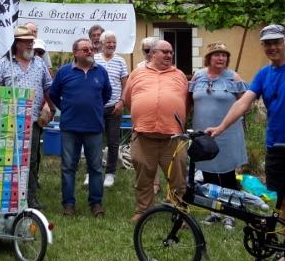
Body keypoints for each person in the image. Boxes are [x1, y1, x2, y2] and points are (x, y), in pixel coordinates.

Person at [206, 24, 285, 261]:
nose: (272, 47)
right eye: (268, 43)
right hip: (277, 147)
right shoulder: (263, 74)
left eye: (276, 42)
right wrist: (221, 127)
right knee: (284, 200)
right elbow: (242, 103)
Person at [122, 39, 189, 223]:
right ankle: (143, 210)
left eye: (170, 52)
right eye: (164, 52)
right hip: (144, 136)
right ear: (152, 54)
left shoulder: (180, 75)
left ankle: (178, 212)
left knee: (178, 177)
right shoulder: (137, 74)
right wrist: (144, 111)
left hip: (173, 137)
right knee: (144, 177)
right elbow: (128, 99)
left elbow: (186, 102)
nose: (169, 55)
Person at [0, 26, 53, 209]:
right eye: (26, 41)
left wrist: (52, 107)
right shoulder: (4, 64)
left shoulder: (39, 63)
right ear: (16, 44)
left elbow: (48, 87)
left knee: (31, 159)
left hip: (32, 120)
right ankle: (8, 196)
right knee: (8, 158)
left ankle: (30, 198)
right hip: (8, 120)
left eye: (31, 41)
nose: (30, 44)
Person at [48, 38, 111, 217]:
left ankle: (96, 203)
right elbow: (53, 94)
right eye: (85, 49)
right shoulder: (64, 72)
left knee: (96, 167)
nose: (90, 51)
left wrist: (94, 108)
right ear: (75, 52)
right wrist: (68, 108)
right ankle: (68, 204)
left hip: (94, 128)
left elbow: (106, 95)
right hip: (70, 127)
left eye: (91, 49)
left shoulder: (101, 72)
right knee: (68, 167)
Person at [189, 42, 247, 228]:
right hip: (203, 133)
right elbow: (188, 100)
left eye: (224, 55)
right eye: (217, 55)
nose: (221, 58)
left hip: (227, 133)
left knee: (227, 174)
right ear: (208, 58)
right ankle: (214, 211)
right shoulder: (198, 76)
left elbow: (245, 101)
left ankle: (231, 212)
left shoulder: (233, 77)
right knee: (208, 173)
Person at [93, 30, 129, 188]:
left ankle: (110, 173)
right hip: (95, 107)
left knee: (113, 142)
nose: (112, 45)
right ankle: (92, 171)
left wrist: (122, 102)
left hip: (114, 107)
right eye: (109, 42)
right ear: (101, 43)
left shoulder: (121, 61)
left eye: (114, 42)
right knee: (94, 141)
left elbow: (126, 84)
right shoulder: (94, 59)